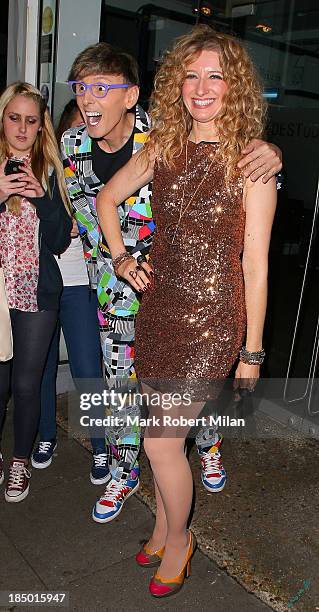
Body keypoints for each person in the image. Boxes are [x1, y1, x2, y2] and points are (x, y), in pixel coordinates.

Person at [61, 41, 281, 523]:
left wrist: (253, 351)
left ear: (237, 85)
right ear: (175, 84)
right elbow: (104, 200)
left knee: (161, 444)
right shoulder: (154, 145)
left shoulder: (251, 163)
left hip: (211, 321)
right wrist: (120, 259)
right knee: (162, 433)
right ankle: (162, 530)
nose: (201, 88)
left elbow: (256, 266)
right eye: (190, 76)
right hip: (154, 308)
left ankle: (180, 542)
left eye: (215, 76)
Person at [0, 82, 72, 502]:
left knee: (26, 386)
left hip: (36, 292)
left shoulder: (48, 166)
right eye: (14, 118)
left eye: (31, 120)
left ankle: (19, 463)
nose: (22, 129)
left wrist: (42, 197)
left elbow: (62, 239)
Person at [31, 100, 108, 485]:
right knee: (42, 369)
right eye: (77, 128)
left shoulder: (103, 171)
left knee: (87, 369)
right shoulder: (47, 170)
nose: (84, 135)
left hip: (80, 283)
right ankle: (46, 436)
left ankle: (101, 447)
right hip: (44, 283)